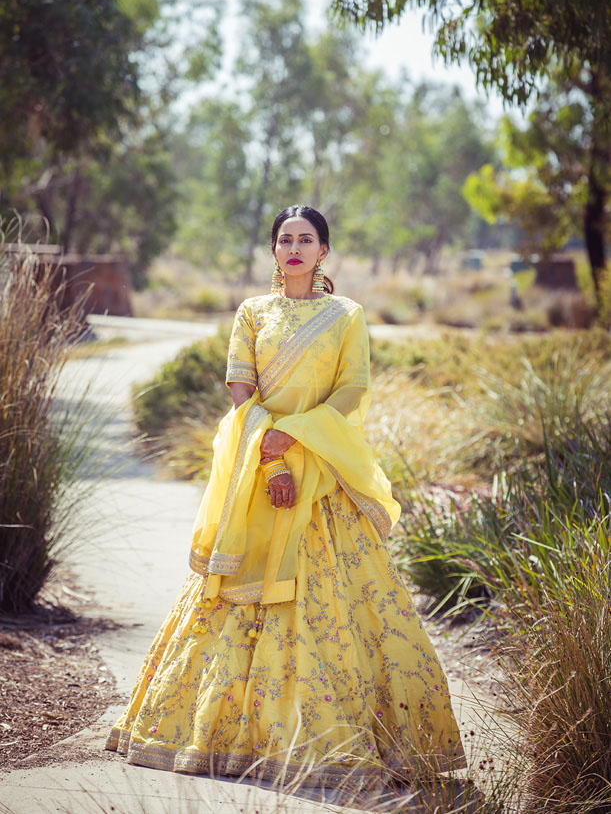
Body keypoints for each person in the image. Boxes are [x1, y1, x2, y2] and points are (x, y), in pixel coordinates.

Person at [105, 205, 465, 790]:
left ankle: (338, 740)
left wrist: (296, 437)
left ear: (324, 250)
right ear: (273, 250)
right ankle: (222, 736)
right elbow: (241, 390)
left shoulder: (346, 315)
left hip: (322, 469)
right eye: (285, 240)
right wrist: (271, 457)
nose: (294, 248)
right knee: (235, 589)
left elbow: (352, 387)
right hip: (258, 467)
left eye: (306, 239)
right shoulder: (251, 312)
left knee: (341, 603)